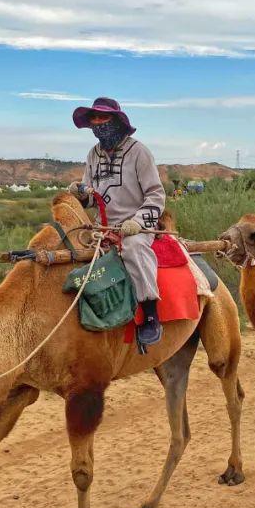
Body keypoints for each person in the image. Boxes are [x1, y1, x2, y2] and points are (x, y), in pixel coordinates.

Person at [68, 97, 165, 348]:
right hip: (101, 228)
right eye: (94, 119)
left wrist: (138, 221)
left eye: (104, 118)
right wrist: (81, 195)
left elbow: (156, 195)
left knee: (133, 249)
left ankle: (151, 314)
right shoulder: (93, 154)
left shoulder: (139, 152)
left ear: (117, 121)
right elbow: (92, 198)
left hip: (136, 226)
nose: (98, 123)